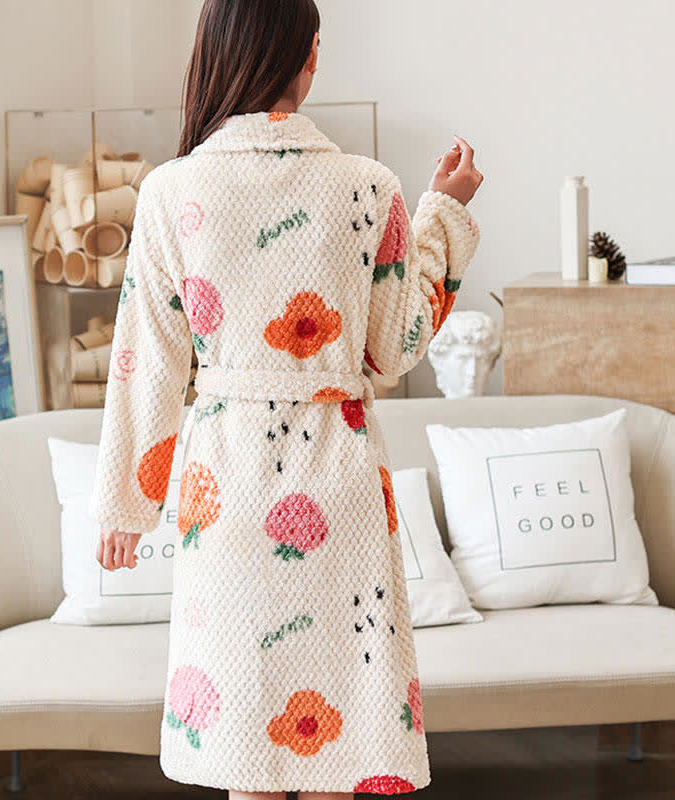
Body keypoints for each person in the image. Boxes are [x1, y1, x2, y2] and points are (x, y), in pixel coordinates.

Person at [90, 0, 483, 797]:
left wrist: (126, 508)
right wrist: (444, 214)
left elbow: (145, 360)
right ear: (308, 55)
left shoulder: (170, 192)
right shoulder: (369, 187)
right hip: (341, 490)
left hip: (225, 493)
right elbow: (395, 348)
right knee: (339, 748)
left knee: (249, 753)